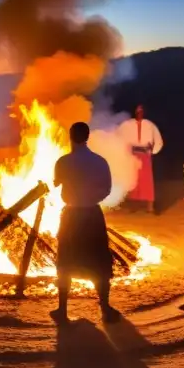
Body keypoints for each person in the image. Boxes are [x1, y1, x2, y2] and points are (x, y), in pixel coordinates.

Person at [51, 121, 119, 324]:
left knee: (66, 261)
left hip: (71, 215)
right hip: (92, 214)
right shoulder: (100, 161)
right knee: (98, 259)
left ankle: (62, 310)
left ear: (70, 137)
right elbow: (107, 189)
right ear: (87, 137)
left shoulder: (63, 161)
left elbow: (55, 183)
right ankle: (105, 308)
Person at [116, 104, 163, 213]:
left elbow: (158, 140)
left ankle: (150, 207)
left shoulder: (150, 125)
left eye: (141, 111)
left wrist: (152, 151)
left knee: (147, 181)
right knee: (133, 180)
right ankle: (133, 206)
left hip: (145, 156)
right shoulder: (126, 125)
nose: (139, 113)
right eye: (137, 111)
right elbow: (118, 137)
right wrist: (124, 151)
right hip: (132, 156)